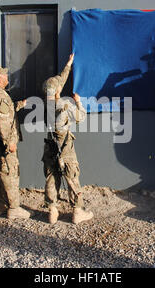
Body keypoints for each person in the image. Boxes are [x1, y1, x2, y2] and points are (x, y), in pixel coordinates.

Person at [42, 53, 94, 224]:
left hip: (50, 148)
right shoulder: (64, 105)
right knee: (72, 178)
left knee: (52, 177)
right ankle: (77, 212)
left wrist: (69, 64)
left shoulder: (46, 105)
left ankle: (52, 211)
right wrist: (78, 102)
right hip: (65, 149)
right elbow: (81, 117)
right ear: (57, 91)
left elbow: (58, 82)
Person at [0, 65, 30, 220]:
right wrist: (9, 142)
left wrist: (20, 104)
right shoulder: (0, 96)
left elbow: (3, 112)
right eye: (4, 74)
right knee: (10, 172)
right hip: (2, 142)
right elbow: (1, 121)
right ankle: (14, 208)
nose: (7, 76)